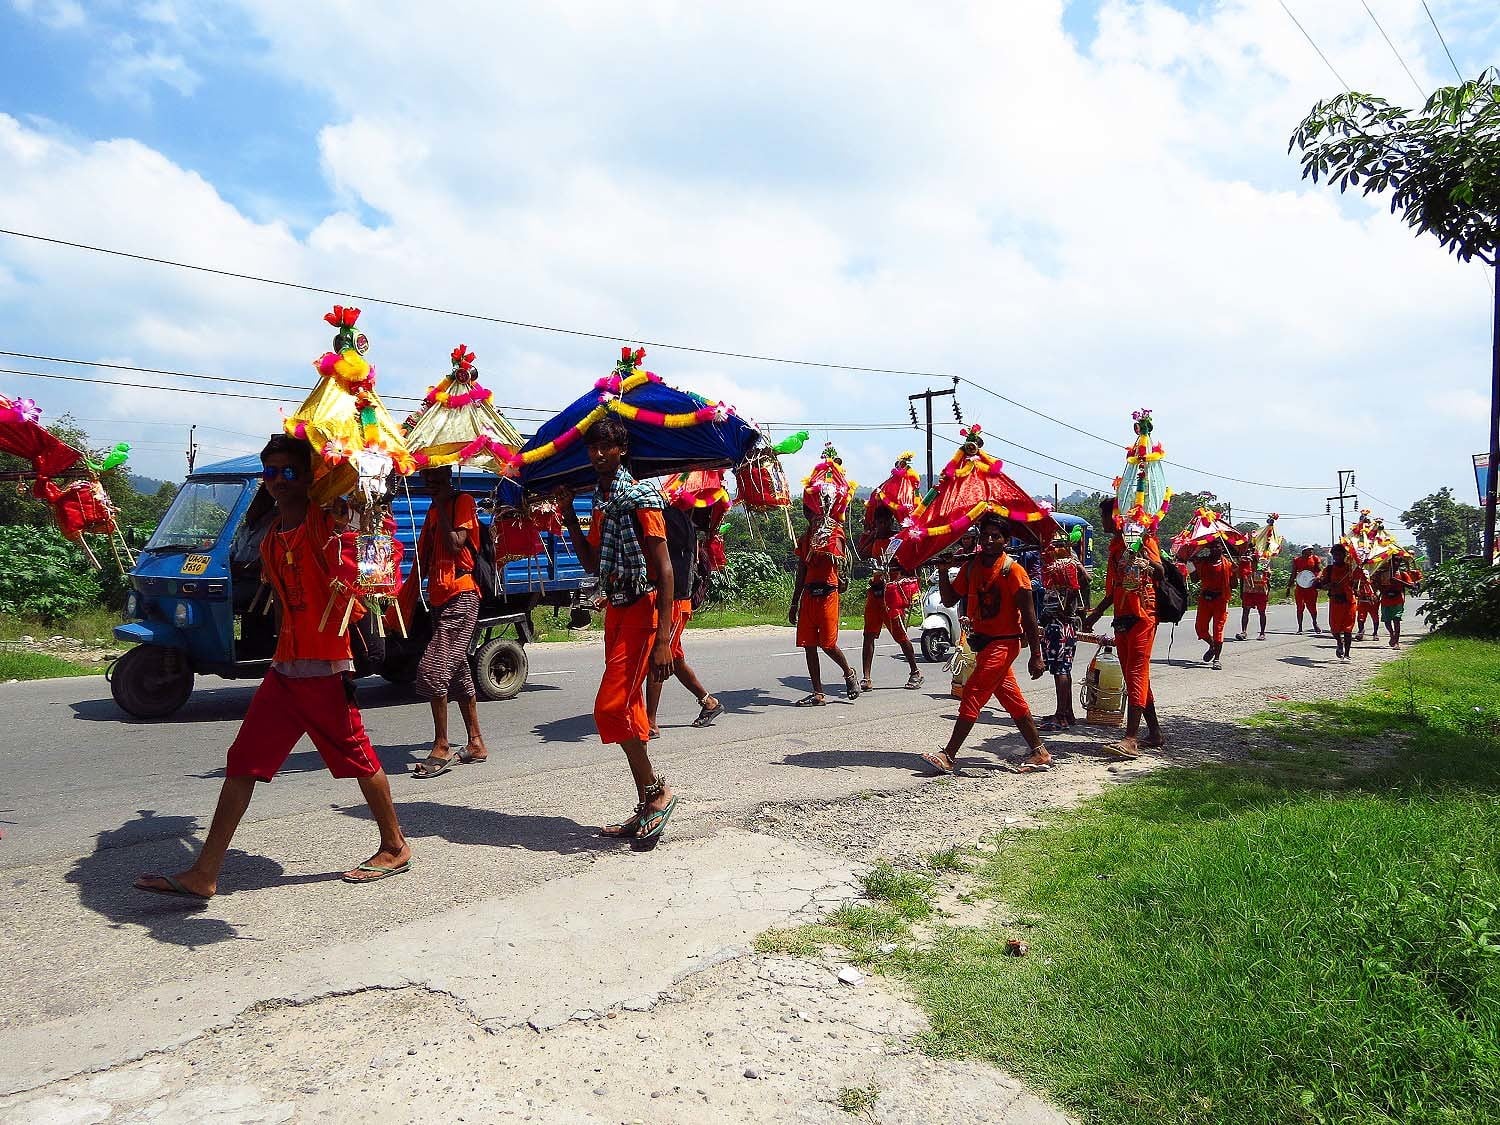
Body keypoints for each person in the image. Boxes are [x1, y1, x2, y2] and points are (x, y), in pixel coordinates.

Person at [133, 435, 410, 899]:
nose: (278, 481)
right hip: (284, 673)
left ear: (308, 477)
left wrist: (354, 521)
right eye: (271, 472)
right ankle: (205, 872)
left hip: (324, 671)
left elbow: (367, 566)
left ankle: (395, 844)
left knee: (358, 758)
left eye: (288, 472)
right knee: (242, 763)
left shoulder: (329, 527)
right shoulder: (270, 536)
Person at [556, 416, 678, 846]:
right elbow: (592, 564)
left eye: (606, 447)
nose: (597, 454)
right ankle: (647, 802)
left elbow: (664, 572)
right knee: (629, 712)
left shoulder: (643, 497)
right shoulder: (602, 501)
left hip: (643, 609)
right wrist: (569, 516)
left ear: (622, 450)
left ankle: (657, 793)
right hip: (616, 609)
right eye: (592, 448)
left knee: (610, 708)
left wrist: (664, 639)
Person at [920, 513, 1049, 774]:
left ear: (1006, 540)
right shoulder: (971, 567)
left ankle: (949, 755)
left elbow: (1030, 617)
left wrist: (1037, 654)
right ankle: (1039, 751)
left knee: (972, 694)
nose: (989, 541)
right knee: (1012, 700)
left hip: (1004, 644)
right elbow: (947, 599)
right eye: (985, 536)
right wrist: (943, 571)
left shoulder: (1013, 571)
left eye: (995, 536)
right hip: (983, 643)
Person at [409, 465, 487, 778]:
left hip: (462, 594)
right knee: (458, 671)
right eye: (426, 476)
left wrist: (441, 504)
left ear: (448, 474)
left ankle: (442, 744)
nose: (431, 481)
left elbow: (456, 544)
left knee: (433, 668)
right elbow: (425, 559)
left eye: (437, 476)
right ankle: (476, 742)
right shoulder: (432, 510)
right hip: (440, 598)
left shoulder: (462, 501)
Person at [1082, 498, 1165, 758]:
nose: (1103, 522)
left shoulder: (1143, 540)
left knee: (1137, 673)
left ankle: (1131, 739)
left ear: (1116, 517)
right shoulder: (1116, 545)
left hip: (1142, 616)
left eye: (1105, 516)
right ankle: (1154, 733)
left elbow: (1160, 571)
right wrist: (1097, 612)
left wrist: (1146, 562)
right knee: (1133, 675)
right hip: (1122, 616)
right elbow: (1115, 587)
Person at [646, 504, 724, 735]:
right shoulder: (676, 518)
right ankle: (709, 702)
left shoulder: (676, 520)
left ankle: (649, 721)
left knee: (657, 658)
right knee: (675, 659)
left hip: (676, 602)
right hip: (669, 600)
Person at [790, 502, 860, 705]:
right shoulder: (804, 539)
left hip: (828, 593)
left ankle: (849, 673)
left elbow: (839, 554)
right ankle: (818, 693)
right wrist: (794, 603)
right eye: (808, 513)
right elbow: (801, 571)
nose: (811, 517)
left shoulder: (835, 532)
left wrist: (824, 538)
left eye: (814, 512)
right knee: (809, 645)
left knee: (828, 645)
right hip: (809, 596)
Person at [858, 505, 923, 692]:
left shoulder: (898, 540)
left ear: (891, 521)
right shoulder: (874, 539)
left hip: (892, 594)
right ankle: (866, 677)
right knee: (868, 635)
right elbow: (861, 555)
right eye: (879, 522)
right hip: (875, 593)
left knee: (900, 635)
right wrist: (871, 535)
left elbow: (910, 566)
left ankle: (915, 672)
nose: (882, 525)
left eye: (885, 522)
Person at [1037, 530, 1084, 731]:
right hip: (1058, 624)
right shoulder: (1061, 567)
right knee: (1062, 669)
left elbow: (1079, 583)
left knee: (1060, 670)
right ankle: (1067, 712)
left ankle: (1061, 716)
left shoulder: (1065, 566)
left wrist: (1066, 609)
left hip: (1060, 625)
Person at [1192, 541, 1234, 670]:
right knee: (1200, 628)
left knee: (1218, 629)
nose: (1216, 549)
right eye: (1213, 547)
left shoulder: (1228, 565)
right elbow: (1194, 579)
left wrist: (1235, 573)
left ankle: (1217, 659)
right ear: (1209, 549)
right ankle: (1213, 646)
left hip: (1220, 600)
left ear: (1222, 549)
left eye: (1218, 547)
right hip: (1205, 599)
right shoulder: (1203, 563)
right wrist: (1191, 564)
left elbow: (1234, 585)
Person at [1317, 542, 1359, 662]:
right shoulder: (1329, 570)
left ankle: (1347, 654)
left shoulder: (1351, 568)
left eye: (1340, 554)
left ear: (1345, 555)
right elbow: (1321, 585)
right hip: (1335, 601)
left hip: (1349, 601)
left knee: (1348, 629)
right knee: (1335, 629)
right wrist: (1328, 585)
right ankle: (1339, 643)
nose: (1337, 557)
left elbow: (1357, 582)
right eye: (1335, 555)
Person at [1376, 553, 1420, 648]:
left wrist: (1398, 581)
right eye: (1394, 560)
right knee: (1387, 621)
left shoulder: (1402, 574)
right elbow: (1379, 585)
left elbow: (1411, 586)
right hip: (1386, 599)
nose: (1396, 563)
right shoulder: (1383, 574)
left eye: (1398, 561)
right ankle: (1392, 634)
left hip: (1398, 599)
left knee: (1396, 620)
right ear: (1389, 561)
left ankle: (1396, 641)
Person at [1235, 549, 1271, 641]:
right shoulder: (1245, 564)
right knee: (1245, 611)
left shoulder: (1262, 563)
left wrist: (1268, 593)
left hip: (1261, 592)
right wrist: (1241, 592)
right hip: (1247, 591)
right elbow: (1242, 578)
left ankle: (1262, 633)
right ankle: (1243, 631)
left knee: (1261, 612)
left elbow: (1267, 577)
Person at [1287, 546, 1323, 634]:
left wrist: (1318, 577)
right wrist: (1288, 586)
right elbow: (1293, 573)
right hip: (1300, 586)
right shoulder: (1297, 560)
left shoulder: (1315, 558)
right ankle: (1300, 627)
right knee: (1300, 607)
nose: (1311, 551)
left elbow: (1319, 570)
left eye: (1311, 550)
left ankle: (1315, 623)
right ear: (1304, 551)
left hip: (1311, 586)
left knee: (1312, 607)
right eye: (1309, 550)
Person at [1354, 564, 1380, 642]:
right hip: (1362, 602)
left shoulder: (1373, 582)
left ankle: (1375, 633)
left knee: (1375, 617)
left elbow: (1378, 589)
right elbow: (1354, 589)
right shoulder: (1359, 583)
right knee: (1360, 618)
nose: (1364, 576)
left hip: (1372, 603)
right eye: (1363, 574)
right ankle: (1361, 631)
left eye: (1366, 574)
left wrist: (1376, 595)